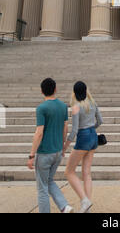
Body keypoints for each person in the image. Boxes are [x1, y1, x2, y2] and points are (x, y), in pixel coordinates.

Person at [27, 78, 74, 214]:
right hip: (57, 151)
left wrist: (31, 155)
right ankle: (64, 206)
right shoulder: (63, 106)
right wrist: (63, 146)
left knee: (42, 188)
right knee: (49, 181)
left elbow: (39, 133)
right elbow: (65, 128)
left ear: (42, 91)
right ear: (55, 89)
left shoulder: (41, 108)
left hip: (44, 153)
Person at [63, 82, 103, 214]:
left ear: (74, 92)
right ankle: (87, 207)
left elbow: (74, 131)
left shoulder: (76, 107)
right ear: (86, 91)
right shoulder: (92, 103)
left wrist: (65, 146)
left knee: (69, 171)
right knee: (87, 173)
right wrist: (92, 128)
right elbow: (100, 121)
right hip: (93, 135)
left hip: (83, 136)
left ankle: (84, 200)